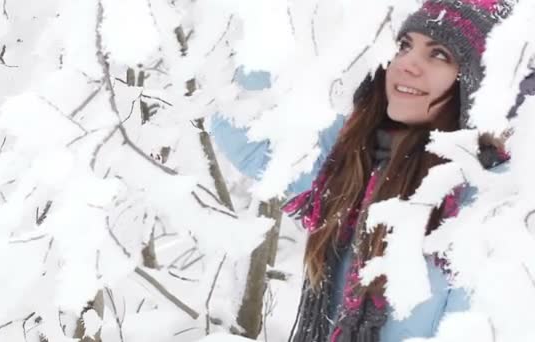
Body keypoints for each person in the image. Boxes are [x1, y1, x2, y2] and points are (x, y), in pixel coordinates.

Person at [211, 1, 528, 341]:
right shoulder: (354, 156)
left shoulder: (497, 205)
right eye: (404, 45)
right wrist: (279, 16)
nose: (407, 63)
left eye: (439, 55)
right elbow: (242, 123)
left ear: (480, 86)